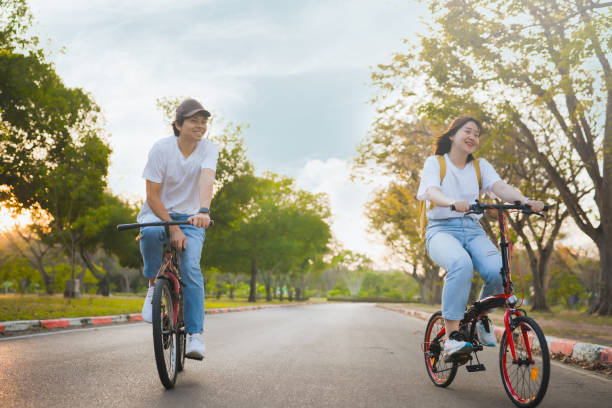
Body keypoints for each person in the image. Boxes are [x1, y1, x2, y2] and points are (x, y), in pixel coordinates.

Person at [416, 115, 544, 361]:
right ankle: (452, 337)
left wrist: (525, 201)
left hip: (473, 230)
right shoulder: (436, 163)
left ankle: (480, 316)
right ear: (453, 135)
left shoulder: (480, 166)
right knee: (460, 264)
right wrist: (452, 202)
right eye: (468, 131)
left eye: (477, 134)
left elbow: (500, 187)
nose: (473, 137)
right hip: (441, 230)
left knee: (499, 271)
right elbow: (431, 191)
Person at [137, 98, 218, 360]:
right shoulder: (161, 149)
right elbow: (152, 195)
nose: (201, 125)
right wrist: (171, 227)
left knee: (191, 268)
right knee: (149, 233)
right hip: (158, 212)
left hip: (192, 219)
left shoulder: (208, 149)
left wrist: (203, 211)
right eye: (194, 120)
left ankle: (196, 335)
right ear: (178, 124)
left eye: (204, 121)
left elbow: (207, 181)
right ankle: (152, 287)